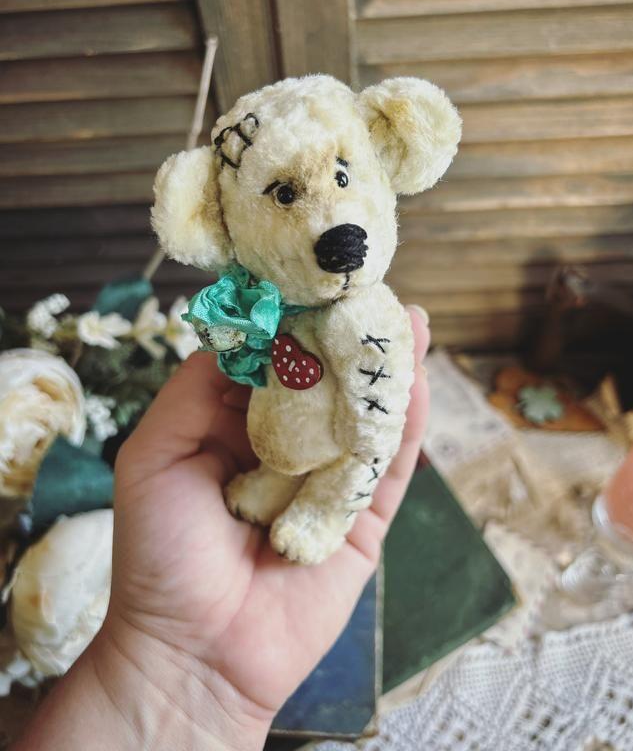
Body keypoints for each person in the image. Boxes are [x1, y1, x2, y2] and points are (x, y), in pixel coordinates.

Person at [15, 308, 429, 750]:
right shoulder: (267, 315)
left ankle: (311, 508)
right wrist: (162, 652)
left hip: (331, 461)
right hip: (270, 454)